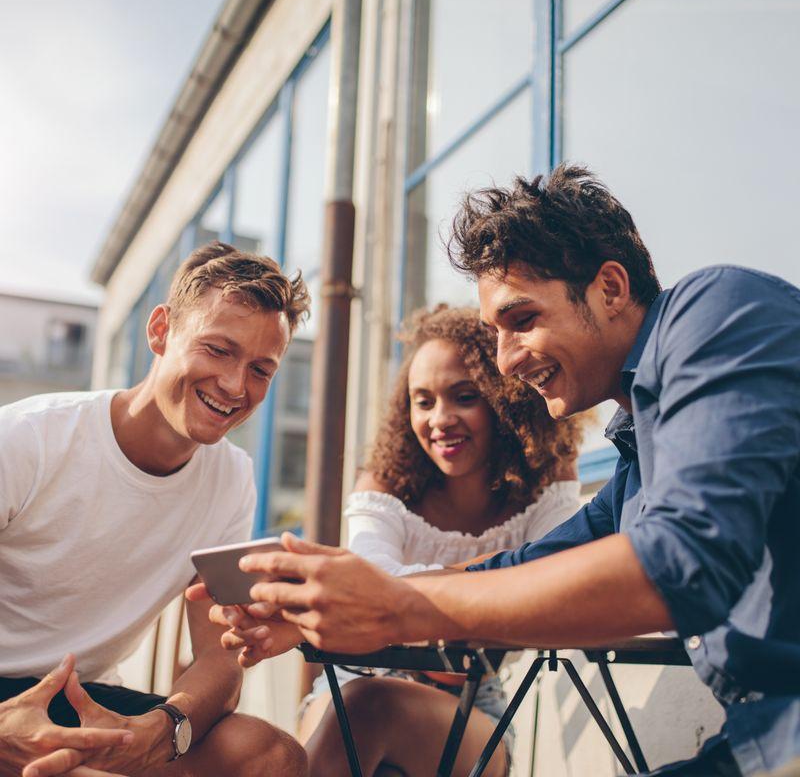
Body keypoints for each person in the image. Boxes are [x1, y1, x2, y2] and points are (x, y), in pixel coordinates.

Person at [230, 166, 800, 777]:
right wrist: (332, 603)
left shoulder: (715, 311)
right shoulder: (637, 463)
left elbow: (684, 563)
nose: (504, 362)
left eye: (522, 320)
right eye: (495, 334)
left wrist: (399, 608)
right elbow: (521, 567)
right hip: (754, 743)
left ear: (611, 288)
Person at [0, 242, 309, 777]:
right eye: (217, 349)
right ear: (161, 331)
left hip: (81, 701)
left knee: (271, 756)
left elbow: (219, 654)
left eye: (261, 369)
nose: (236, 386)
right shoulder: (28, 440)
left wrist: (168, 726)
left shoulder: (233, 480)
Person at [298, 305, 583, 776]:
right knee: (361, 702)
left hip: (473, 698)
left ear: (505, 398)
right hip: (355, 680)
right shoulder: (384, 485)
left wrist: (414, 601)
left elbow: (559, 579)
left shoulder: (547, 480)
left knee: (370, 708)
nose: (440, 419)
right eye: (423, 401)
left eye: (464, 396)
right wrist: (503, 573)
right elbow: (372, 585)